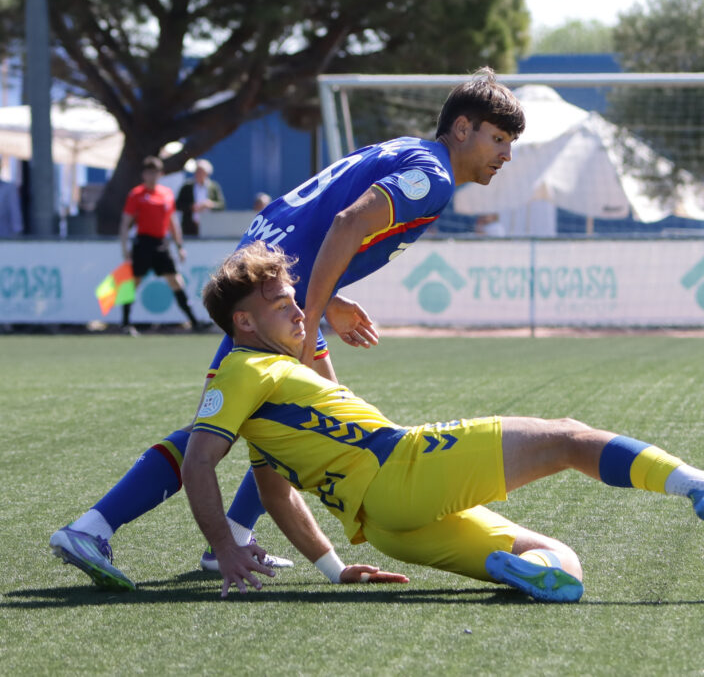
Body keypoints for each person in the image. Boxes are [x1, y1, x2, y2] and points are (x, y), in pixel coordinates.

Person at [49, 67, 527, 590]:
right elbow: (347, 223)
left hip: (269, 274)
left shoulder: (411, 151)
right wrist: (310, 318)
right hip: (273, 293)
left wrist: (329, 303)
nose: (506, 155)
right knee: (252, 426)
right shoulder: (431, 177)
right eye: (498, 138)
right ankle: (94, 526)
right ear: (462, 129)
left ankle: (227, 534)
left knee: (282, 417)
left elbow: (319, 221)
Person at [182, 243, 704, 601]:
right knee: (566, 437)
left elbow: (272, 487)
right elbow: (198, 461)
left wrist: (335, 568)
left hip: (389, 529)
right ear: (242, 323)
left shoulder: (263, 387)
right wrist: (222, 548)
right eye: (277, 300)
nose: (294, 305)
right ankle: (700, 485)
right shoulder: (243, 370)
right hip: (403, 468)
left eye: (291, 294)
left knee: (562, 562)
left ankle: (518, 567)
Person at [118, 156, 204, 336]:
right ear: (143, 174)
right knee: (134, 282)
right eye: (149, 173)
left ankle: (194, 322)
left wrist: (179, 245)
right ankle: (125, 324)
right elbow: (126, 222)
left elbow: (172, 222)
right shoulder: (136, 194)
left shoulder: (166, 194)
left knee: (175, 280)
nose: (152, 176)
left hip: (161, 243)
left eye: (155, 173)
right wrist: (124, 246)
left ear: (161, 174)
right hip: (143, 243)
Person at [176, 159, 225, 237]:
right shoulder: (187, 187)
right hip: (190, 226)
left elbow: (221, 205)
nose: (199, 174)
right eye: (197, 171)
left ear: (207, 173)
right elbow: (178, 205)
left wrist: (210, 204)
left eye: (201, 172)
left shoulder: (213, 187)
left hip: (209, 225)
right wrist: (191, 207)